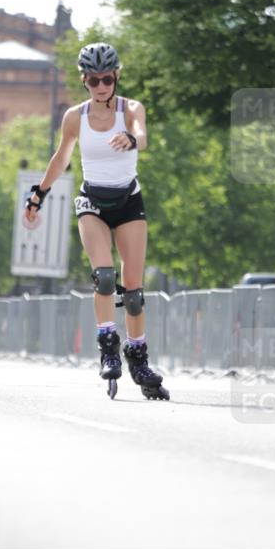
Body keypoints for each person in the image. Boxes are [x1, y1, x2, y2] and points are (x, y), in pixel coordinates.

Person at [25, 43, 169, 401]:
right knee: (104, 276)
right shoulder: (75, 116)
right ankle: (108, 344)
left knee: (133, 293)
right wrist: (37, 195)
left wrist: (132, 137)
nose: (102, 86)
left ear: (116, 77)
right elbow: (61, 158)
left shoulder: (131, 109)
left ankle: (138, 357)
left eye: (107, 79)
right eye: (94, 80)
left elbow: (144, 134)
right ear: (84, 81)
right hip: (92, 201)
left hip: (128, 200)